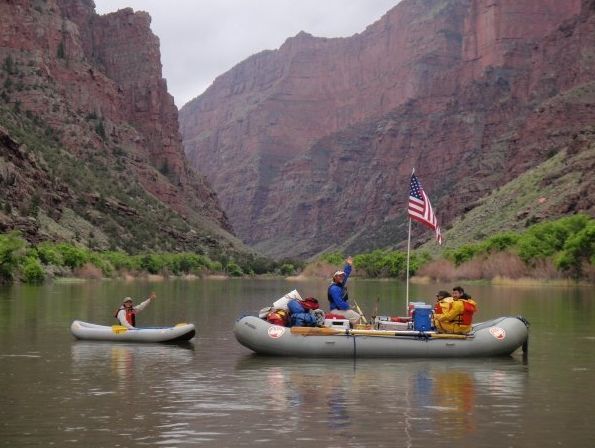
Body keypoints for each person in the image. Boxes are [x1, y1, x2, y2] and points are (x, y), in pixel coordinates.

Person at [327, 256, 361, 326]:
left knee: (352, 314)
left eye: (342, 276)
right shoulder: (334, 288)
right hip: (336, 311)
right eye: (339, 276)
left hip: (339, 309)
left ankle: (351, 328)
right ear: (335, 277)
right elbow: (339, 303)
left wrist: (349, 265)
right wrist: (348, 306)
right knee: (357, 316)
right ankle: (356, 331)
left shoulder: (339, 284)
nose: (342, 277)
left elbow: (346, 274)